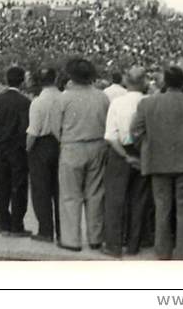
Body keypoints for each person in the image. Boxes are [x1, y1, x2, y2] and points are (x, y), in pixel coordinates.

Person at [130, 66, 183, 260]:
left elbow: (135, 131)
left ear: (164, 83)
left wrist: (146, 147)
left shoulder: (147, 103)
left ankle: (162, 252)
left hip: (158, 161)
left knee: (162, 209)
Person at [56, 57, 109, 252]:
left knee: (70, 195)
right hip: (97, 145)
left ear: (71, 75)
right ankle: (95, 238)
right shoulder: (102, 96)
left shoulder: (64, 97)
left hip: (72, 146)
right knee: (95, 193)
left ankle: (72, 240)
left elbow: (55, 127)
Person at [102, 66, 149, 258]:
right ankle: (133, 244)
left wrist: (125, 156)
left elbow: (110, 136)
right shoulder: (150, 102)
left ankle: (113, 245)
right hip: (143, 152)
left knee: (115, 199)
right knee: (139, 200)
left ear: (126, 81)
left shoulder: (118, 103)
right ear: (144, 82)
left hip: (120, 151)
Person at [0, 66, 31, 237]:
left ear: (7, 80)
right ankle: (17, 224)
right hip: (18, 149)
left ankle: (4, 222)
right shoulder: (26, 103)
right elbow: (25, 128)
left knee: (3, 185)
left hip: (1, 147)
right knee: (19, 186)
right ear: (22, 81)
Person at [25, 66, 63, 244]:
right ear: (55, 79)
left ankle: (45, 230)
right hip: (61, 144)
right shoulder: (64, 99)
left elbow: (33, 131)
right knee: (60, 190)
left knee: (41, 190)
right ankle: (63, 231)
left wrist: (27, 149)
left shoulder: (38, 102)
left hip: (41, 146)